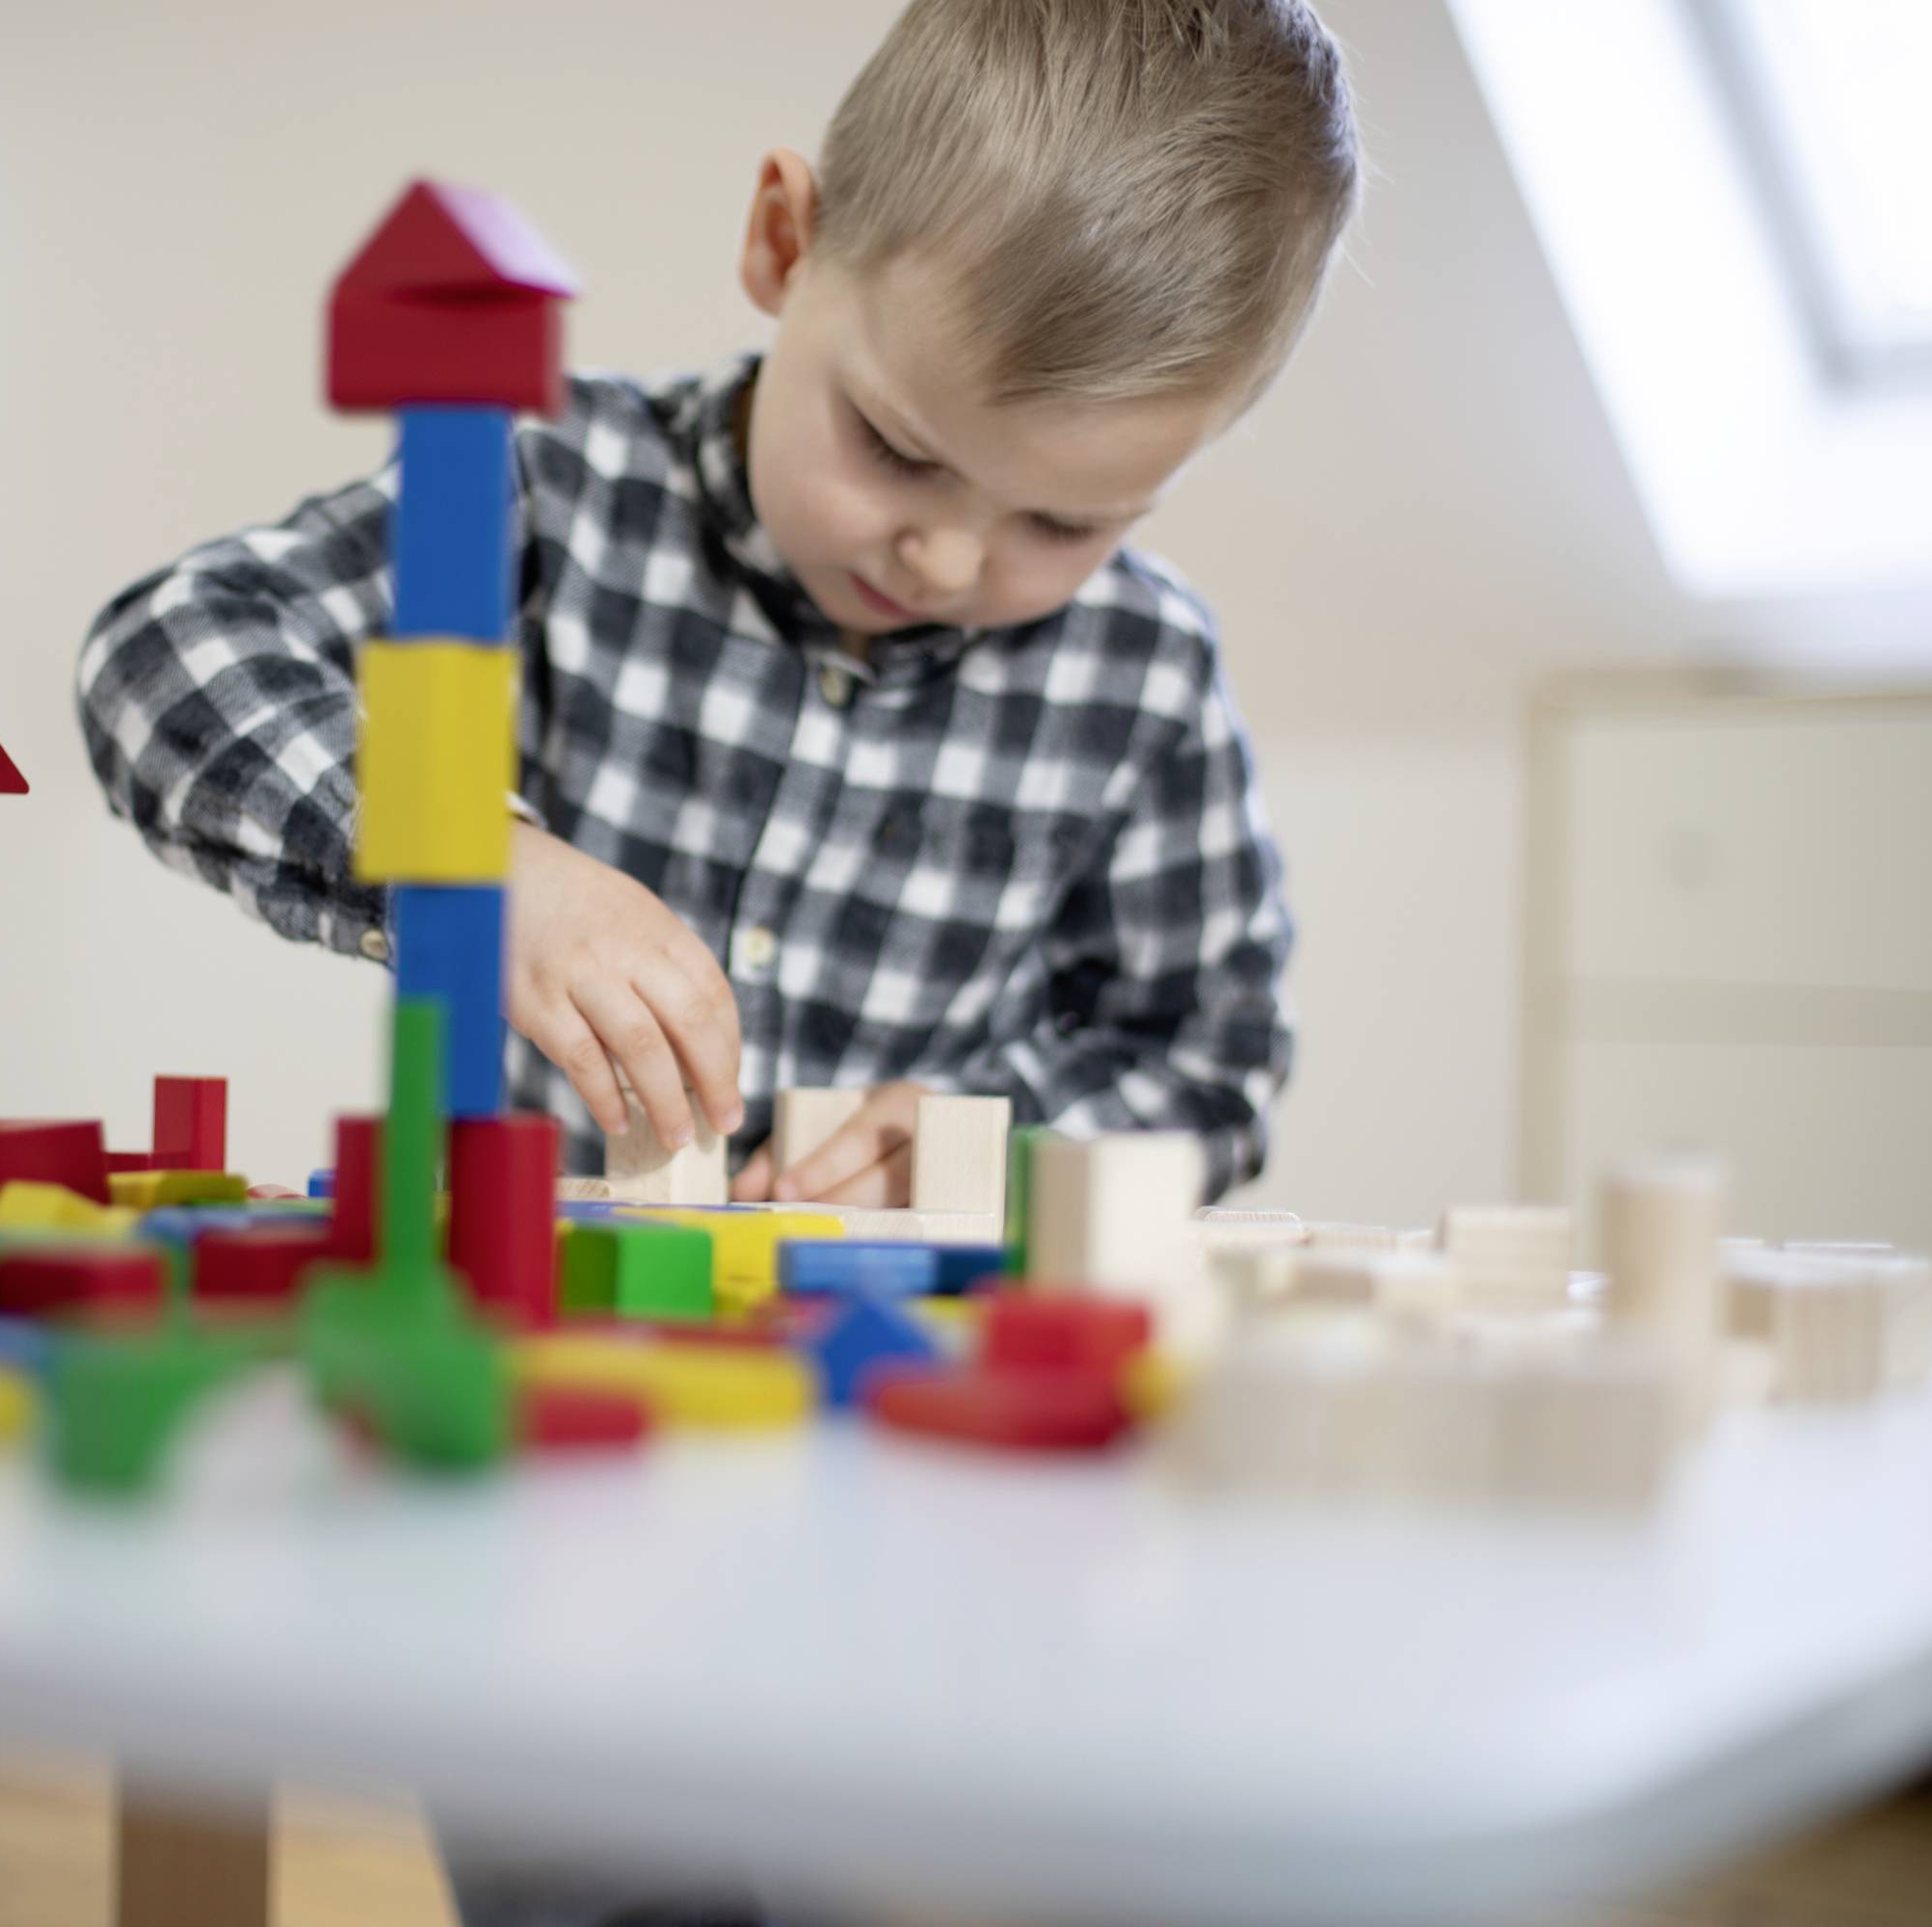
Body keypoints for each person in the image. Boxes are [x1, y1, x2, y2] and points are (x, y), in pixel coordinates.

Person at [80, 0, 1353, 1220]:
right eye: (898, 449)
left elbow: (1210, 1062)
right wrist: (468, 855)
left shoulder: (1144, 676)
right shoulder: (556, 489)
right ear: (785, 245)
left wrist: (995, 1140)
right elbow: (168, 653)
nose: (948, 561)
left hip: (920, 1380)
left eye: (1064, 524)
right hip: (552, 1338)